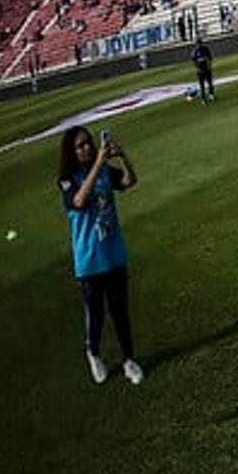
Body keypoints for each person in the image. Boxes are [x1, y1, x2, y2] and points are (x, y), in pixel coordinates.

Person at [59, 126, 143, 385]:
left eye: (88, 143)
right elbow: (80, 201)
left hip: (113, 253)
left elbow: (130, 181)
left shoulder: (105, 170)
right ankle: (93, 353)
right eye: (80, 146)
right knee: (95, 315)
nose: (86, 148)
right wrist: (97, 164)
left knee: (120, 312)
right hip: (89, 259)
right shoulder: (67, 179)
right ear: (71, 152)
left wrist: (122, 157)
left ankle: (129, 360)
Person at [191, 36, 216, 103]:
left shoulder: (205, 49)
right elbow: (194, 61)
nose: (199, 44)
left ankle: (211, 95)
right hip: (200, 69)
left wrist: (209, 66)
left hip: (206, 68)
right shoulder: (195, 51)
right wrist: (197, 68)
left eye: (199, 43)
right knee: (202, 85)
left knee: (209, 82)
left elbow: (209, 58)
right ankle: (203, 98)